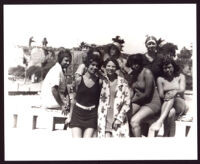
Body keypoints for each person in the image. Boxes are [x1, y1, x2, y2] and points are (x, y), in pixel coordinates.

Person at [148, 57, 188, 137]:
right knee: (171, 113)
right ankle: (167, 136)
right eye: (165, 68)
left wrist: (174, 92)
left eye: (169, 67)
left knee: (171, 95)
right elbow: (161, 95)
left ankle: (160, 121)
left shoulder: (180, 76)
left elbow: (182, 90)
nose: (167, 70)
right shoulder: (160, 79)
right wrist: (168, 94)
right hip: (168, 104)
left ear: (174, 66)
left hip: (180, 103)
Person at [69, 49, 103, 138]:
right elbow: (74, 100)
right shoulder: (79, 80)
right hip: (77, 114)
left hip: (91, 115)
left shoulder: (99, 82)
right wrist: (70, 117)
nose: (95, 67)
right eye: (92, 65)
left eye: (97, 66)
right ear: (87, 65)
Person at [126, 54, 161, 137]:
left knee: (134, 121)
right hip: (139, 102)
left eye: (137, 63)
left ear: (141, 63)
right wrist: (127, 101)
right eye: (132, 63)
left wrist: (131, 101)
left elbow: (147, 94)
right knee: (124, 117)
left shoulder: (147, 72)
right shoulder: (133, 74)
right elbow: (131, 91)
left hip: (152, 103)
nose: (135, 65)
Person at [97, 58, 130, 138]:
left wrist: (120, 118)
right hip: (104, 116)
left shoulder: (123, 82)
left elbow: (127, 102)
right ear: (104, 67)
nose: (110, 68)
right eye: (108, 66)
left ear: (116, 68)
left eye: (113, 66)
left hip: (117, 116)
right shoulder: (101, 81)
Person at [40, 49, 72, 128]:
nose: (68, 63)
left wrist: (67, 100)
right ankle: (70, 122)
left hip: (53, 99)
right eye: (66, 60)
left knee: (73, 102)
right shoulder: (56, 70)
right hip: (50, 100)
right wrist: (62, 105)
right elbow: (54, 90)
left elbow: (64, 90)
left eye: (69, 61)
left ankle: (69, 121)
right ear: (60, 60)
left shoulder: (60, 69)